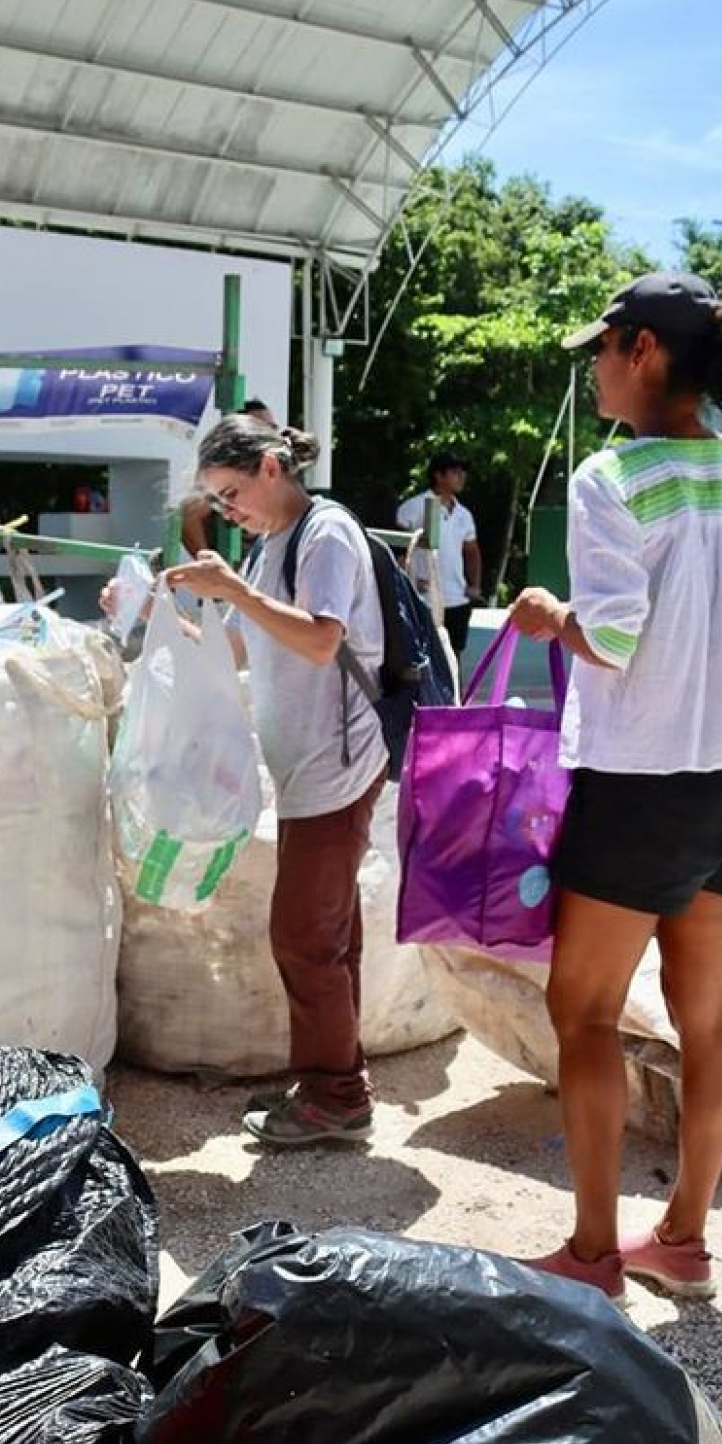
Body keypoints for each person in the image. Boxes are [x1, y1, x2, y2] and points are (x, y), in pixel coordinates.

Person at [508, 271, 722, 1302]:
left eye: (601, 350)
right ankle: (683, 1241)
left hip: (639, 785)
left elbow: (606, 636)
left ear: (643, 349)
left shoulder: (612, 478)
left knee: (585, 1016)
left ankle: (593, 1256)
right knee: (707, 1021)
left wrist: (542, 615)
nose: (596, 370)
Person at [163, 415, 388, 1147]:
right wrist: (161, 617)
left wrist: (232, 588)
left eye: (230, 494)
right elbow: (240, 644)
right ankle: (338, 1078)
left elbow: (322, 640)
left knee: (301, 937)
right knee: (327, 931)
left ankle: (337, 1098)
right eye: (217, 502)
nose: (229, 512)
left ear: (269, 467)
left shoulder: (326, 535)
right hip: (304, 766)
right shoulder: (269, 551)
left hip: (337, 761)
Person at [396, 452, 481, 658]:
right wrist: (410, 580)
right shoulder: (412, 508)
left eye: (463, 472)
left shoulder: (464, 514)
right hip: (423, 597)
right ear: (439, 475)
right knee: (424, 656)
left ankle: (456, 692)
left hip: (457, 599)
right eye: (455, 471)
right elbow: (398, 552)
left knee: (454, 656)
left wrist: (474, 585)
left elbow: (472, 553)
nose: (461, 476)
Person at [180, 397, 276, 556]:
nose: (269, 432)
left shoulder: (275, 468)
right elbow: (189, 514)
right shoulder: (223, 468)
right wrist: (208, 566)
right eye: (261, 427)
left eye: (272, 427)